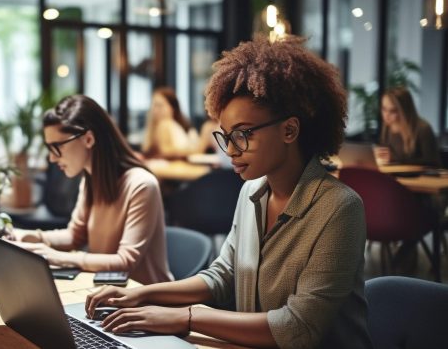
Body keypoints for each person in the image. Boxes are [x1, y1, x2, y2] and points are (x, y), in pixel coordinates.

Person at [85, 35, 372, 349]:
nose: (231, 150)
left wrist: (187, 316)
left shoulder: (339, 208)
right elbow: (222, 275)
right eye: (226, 137)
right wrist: (143, 293)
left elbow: (299, 328)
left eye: (242, 134)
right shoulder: (252, 192)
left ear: (289, 130)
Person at [12, 95, 173, 285]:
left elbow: (125, 261)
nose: (52, 159)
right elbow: (74, 237)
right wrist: (24, 236)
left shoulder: (142, 185)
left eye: (57, 147)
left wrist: (54, 256)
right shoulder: (90, 181)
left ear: (88, 139)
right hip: (108, 294)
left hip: (147, 301)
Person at [375, 86, 440, 166]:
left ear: (404, 110)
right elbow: (387, 155)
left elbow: (431, 162)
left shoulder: (423, 129)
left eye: (393, 111)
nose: (386, 115)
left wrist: (396, 159)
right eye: (384, 109)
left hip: (420, 177)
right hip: (395, 175)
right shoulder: (387, 127)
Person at [141, 87, 200, 159]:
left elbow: (165, 150)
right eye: (154, 106)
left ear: (172, 107)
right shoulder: (156, 128)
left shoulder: (180, 127)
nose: (155, 110)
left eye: (160, 106)